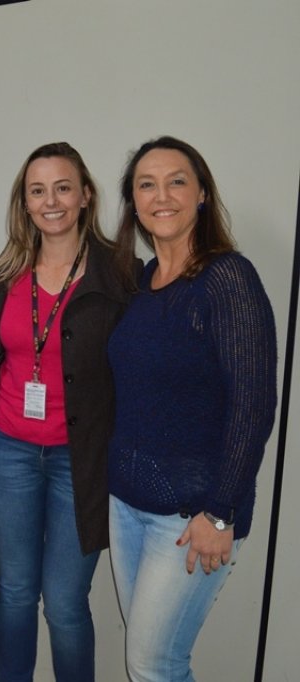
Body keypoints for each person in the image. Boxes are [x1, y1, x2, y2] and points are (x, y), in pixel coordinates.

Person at [107, 136, 277, 681]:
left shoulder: (226, 278)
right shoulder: (137, 282)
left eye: (177, 181)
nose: (162, 196)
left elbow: (254, 404)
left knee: (154, 663)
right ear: (133, 203)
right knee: (149, 659)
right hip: (126, 506)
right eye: (146, 184)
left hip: (192, 516)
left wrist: (222, 511)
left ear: (202, 194)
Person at [0, 142, 138, 682]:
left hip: (82, 459)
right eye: (37, 190)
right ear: (24, 202)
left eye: (63, 187)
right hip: (9, 451)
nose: (51, 201)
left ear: (86, 195)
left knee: (67, 601)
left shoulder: (122, 275)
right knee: (16, 592)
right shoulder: (3, 274)